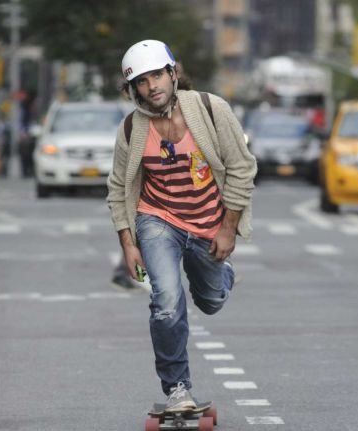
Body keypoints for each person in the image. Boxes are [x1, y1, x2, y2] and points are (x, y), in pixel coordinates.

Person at [106, 40, 256, 411]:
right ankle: (177, 389)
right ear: (133, 89)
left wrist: (228, 229)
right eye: (142, 81)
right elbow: (117, 188)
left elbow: (242, 167)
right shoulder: (131, 129)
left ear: (173, 73)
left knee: (211, 301)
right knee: (167, 302)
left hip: (209, 223)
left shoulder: (211, 109)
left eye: (157, 75)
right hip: (158, 220)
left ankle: (223, 275)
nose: (152, 86)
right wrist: (128, 243)